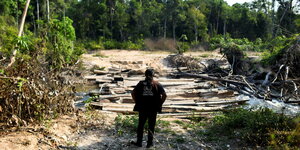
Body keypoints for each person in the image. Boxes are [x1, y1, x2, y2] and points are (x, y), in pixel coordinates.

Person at [131, 69, 167, 148]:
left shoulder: (140, 84)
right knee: (151, 126)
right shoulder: (157, 84)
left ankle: (139, 142)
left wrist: (136, 102)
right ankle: (149, 143)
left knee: (141, 125)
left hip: (143, 108)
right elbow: (164, 95)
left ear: (145, 75)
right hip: (153, 109)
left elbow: (133, 93)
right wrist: (160, 103)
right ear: (153, 75)